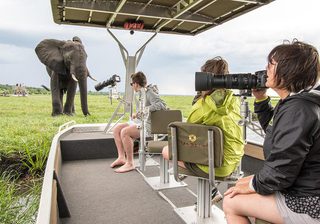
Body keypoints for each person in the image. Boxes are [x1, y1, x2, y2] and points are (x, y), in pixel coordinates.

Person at [223, 40, 320, 224]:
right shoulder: (300, 103)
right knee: (239, 184)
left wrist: (253, 185)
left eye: (270, 65)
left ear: (287, 71)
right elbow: (275, 130)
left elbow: (281, 170)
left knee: (231, 201)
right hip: (302, 185)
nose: (265, 69)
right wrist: (261, 99)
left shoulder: (298, 109)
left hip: (309, 202)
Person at [162, 56, 244, 181]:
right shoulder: (236, 101)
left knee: (166, 150)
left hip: (212, 168)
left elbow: (187, 132)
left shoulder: (201, 107)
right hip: (233, 164)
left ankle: (204, 184)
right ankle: (212, 191)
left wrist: (201, 98)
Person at [111, 71, 167, 173]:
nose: (132, 86)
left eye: (132, 84)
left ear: (136, 84)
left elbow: (162, 105)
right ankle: (121, 157)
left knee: (125, 132)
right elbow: (144, 110)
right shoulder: (141, 92)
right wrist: (137, 113)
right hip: (139, 121)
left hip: (147, 126)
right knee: (117, 129)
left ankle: (130, 163)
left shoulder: (149, 92)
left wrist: (143, 110)